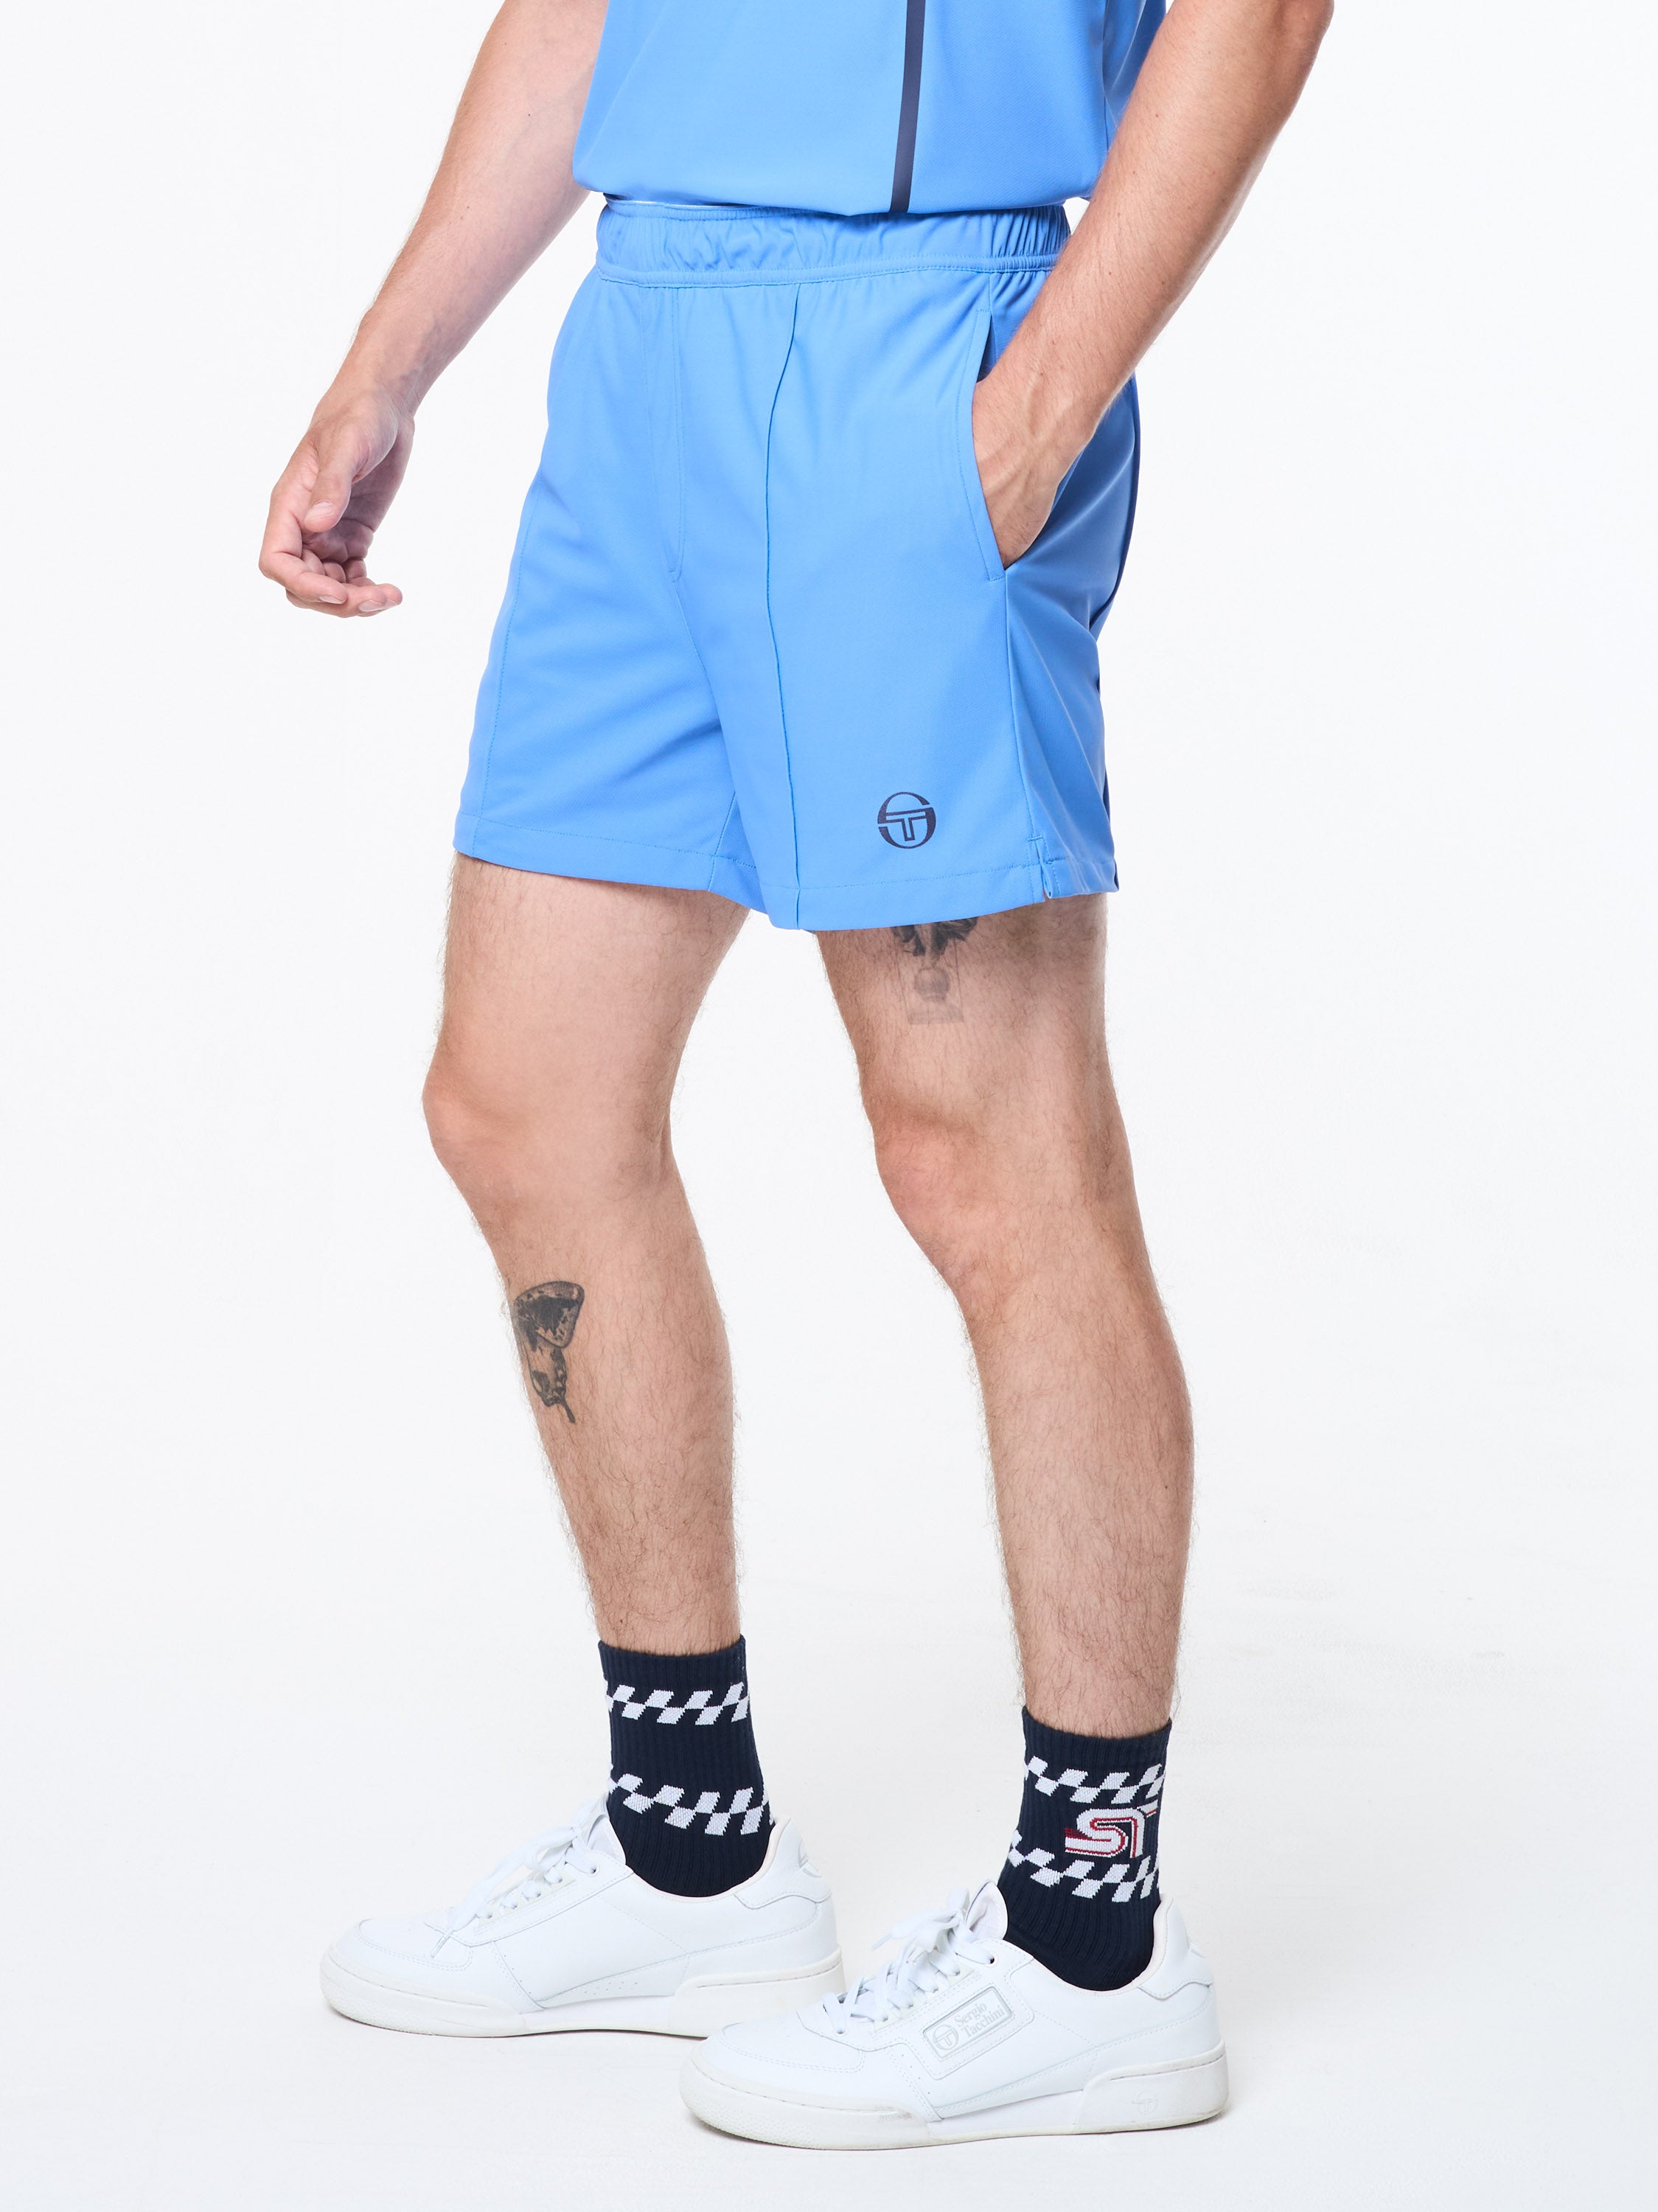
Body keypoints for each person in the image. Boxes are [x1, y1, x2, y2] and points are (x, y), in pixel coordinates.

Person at [260, 0, 1328, 2149]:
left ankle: (1093, 1945)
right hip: (643, 342)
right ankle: (692, 1857)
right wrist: (388, 366)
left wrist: (1039, 401)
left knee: (986, 1154)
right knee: (522, 1104)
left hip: (904, 341)